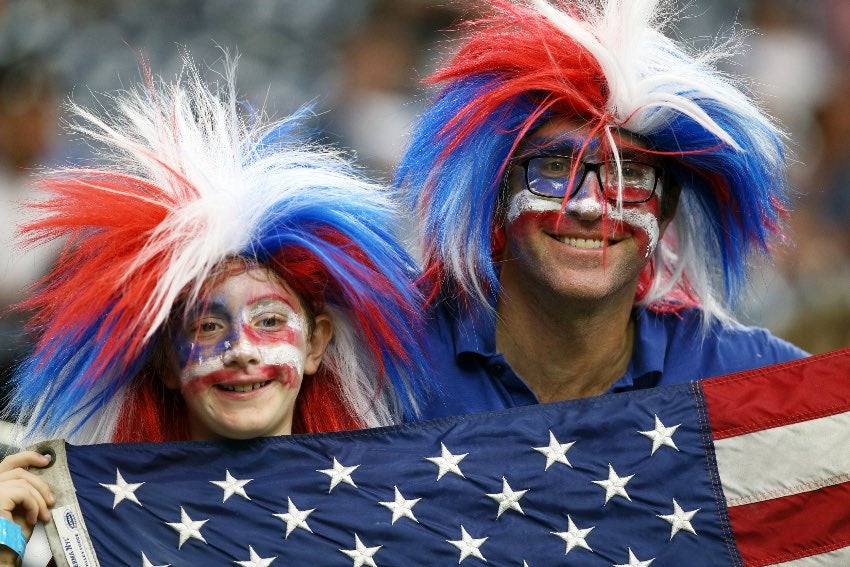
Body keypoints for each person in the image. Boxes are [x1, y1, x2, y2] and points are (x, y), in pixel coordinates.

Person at [0, 56, 429, 565]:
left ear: (316, 343)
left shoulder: (387, 513)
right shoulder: (79, 529)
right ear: (164, 363)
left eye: (269, 321)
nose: (242, 351)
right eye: (207, 326)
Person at [395, 0, 808, 419]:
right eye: (555, 167)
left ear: (666, 209)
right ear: (497, 192)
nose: (590, 204)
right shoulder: (386, 359)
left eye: (629, 175)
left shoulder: (752, 381)